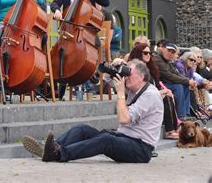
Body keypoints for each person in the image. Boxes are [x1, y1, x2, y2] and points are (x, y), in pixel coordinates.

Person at [22, 59, 163, 163]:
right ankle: (49, 149)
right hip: (124, 138)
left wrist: (120, 93)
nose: (125, 78)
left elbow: (124, 119)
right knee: (82, 129)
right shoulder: (134, 87)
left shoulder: (150, 95)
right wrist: (113, 67)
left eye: (129, 74)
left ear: (142, 77)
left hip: (141, 149)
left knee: (106, 140)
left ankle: (59, 153)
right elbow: (107, 78)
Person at [50, 0, 109, 100]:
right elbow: (54, 3)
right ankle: (62, 85)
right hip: (69, 30)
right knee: (62, 53)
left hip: (86, 31)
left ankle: (92, 72)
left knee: (96, 46)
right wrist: (57, 11)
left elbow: (105, 1)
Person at [126, 43, 178, 139]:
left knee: (171, 95)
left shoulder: (151, 68)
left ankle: (174, 128)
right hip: (139, 98)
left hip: (151, 96)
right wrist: (160, 93)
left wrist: (164, 90)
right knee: (166, 98)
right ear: (138, 53)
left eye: (150, 53)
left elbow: (157, 85)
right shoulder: (134, 68)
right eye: (145, 53)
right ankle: (169, 131)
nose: (149, 55)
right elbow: (139, 89)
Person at [153, 42, 196, 120]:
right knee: (178, 86)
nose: (170, 53)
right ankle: (180, 116)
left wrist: (188, 81)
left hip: (163, 83)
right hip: (156, 85)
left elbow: (176, 74)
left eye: (173, 52)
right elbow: (168, 76)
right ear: (163, 49)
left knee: (185, 85)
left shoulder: (166, 61)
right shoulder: (157, 59)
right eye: (169, 50)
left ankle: (185, 114)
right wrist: (188, 81)